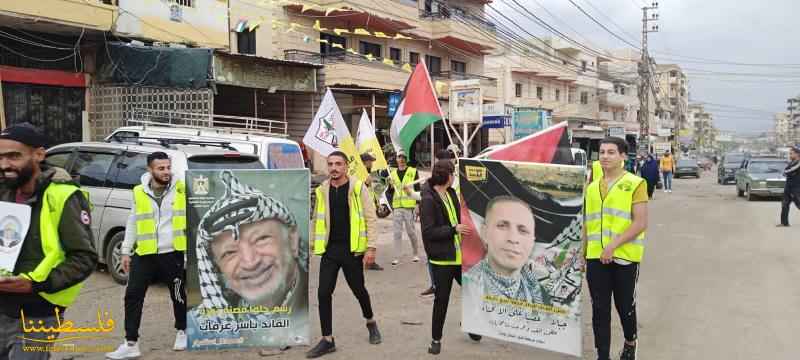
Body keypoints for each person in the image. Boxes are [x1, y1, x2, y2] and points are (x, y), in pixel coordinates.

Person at [0, 123, 97, 360]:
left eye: (14, 156)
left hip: (36, 313)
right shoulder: (4, 192)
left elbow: (84, 259)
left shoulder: (62, 195)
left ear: (39, 154)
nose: (4, 165)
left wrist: (36, 285)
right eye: (0, 157)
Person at [187, 170, 308, 348]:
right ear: (216, 267)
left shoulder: (312, 308)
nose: (250, 262)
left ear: (292, 241)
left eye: (261, 239)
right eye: (229, 253)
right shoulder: (198, 327)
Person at [107, 152, 188, 359]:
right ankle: (131, 343)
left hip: (172, 252)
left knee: (178, 294)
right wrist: (126, 250)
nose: (166, 172)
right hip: (145, 253)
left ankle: (182, 331)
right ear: (150, 170)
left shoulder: (181, 188)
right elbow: (133, 221)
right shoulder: (139, 192)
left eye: (168, 167)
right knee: (132, 295)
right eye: (161, 168)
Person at [306, 151, 381, 359]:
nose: (333, 168)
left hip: (352, 251)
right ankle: (327, 339)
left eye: (338, 164)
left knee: (359, 289)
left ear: (346, 166)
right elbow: (316, 218)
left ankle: (371, 321)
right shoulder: (322, 190)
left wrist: (371, 247)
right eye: (330, 164)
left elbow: (370, 218)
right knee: (323, 293)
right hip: (330, 250)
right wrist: (313, 244)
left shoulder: (358, 187)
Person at [583, 137, 648, 360]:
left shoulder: (635, 184)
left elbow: (640, 223)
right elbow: (586, 222)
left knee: (624, 307)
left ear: (623, 157)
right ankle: (603, 355)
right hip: (595, 258)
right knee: (600, 310)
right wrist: (582, 254)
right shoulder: (591, 188)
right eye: (602, 152)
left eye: (611, 152)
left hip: (624, 257)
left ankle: (630, 342)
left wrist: (612, 246)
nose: (605, 156)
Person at [420, 160, 481, 355]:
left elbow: (461, 215)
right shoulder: (428, 199)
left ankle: (470, 324)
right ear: (446, 176)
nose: (454, 176)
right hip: (442, 259)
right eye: (452, 173)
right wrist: (453, 230)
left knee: (474, 290)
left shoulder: (451, 193)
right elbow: (428, 232)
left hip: (459, 255)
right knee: (442, 300)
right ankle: (435, 340)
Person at [463, 196, 549, 304]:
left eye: (523, 231)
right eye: (502, 226)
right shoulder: (467, 292)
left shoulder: (543, 298)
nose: (513, 239)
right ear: (484, 233)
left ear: (532, 242)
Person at [387, 151, 421, 265]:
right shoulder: (392, 173)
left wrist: (417, 204)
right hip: (397, 206)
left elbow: (417, 188)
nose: (401, 159)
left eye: (403, 157)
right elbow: (390, 191)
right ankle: (397, 256)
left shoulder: (412, 171)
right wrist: (390, 186)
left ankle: (415, 253)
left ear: (406, 159)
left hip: (409, 206)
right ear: (396, 159)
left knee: (411, 232)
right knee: (397, 232)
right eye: (399, 157)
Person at [360, 153, 385, 271]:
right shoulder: (359, 174)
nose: (372, 163)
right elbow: (357, 192)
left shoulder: (368, 174)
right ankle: (367, 261)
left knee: (371, 236)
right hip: (362, 211)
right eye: (371, 161)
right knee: (367, 236)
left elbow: (371, 192)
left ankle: (370, 261)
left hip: (370, 209)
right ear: (365, 162)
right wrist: (365, 183)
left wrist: (377, 204)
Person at [779, 146, 800, 227]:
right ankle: (784, 223)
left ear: (797, 154)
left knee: (798, 204)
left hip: (796, 188)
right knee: (784, 204)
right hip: (788, 187)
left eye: (791, 154)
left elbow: (788, 171)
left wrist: (786, 172)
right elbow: (785, 171)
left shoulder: (798, 163)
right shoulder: (791, 162)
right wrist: (786, 172)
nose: (789, 155)